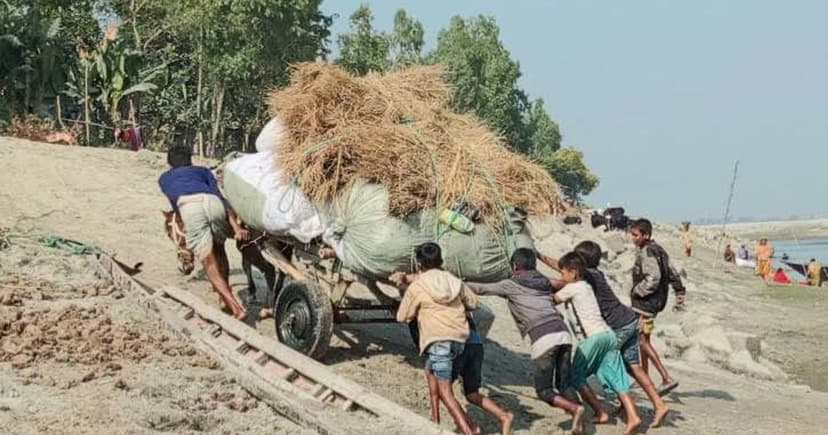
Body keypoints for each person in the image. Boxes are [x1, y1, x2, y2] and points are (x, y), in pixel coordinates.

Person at [538, 242, 670, 428]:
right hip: (627, 321)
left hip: (616, 327)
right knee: (631, 368)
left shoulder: (586, 276)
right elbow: (564, 267)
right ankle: (653, 405)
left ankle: (603, 411)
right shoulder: (593, 274)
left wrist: (537, 263)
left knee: (602, 368)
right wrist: (539, 256)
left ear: (579, 265)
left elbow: (562, 274)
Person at [465, 248, 587, 435]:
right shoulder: (544, 282)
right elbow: (561, 282)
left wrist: (457, 282)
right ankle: (581, 424)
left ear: (515, 266)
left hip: (543, 338)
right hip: (564, 334)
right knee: (565, 385)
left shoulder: (510, 284)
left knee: (544, 391)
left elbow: (482, 288)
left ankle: (575, 410)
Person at [393, 243, 478, 435]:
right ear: (440, 260)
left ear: (419, 263)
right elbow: (473, 302)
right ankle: (435, 419)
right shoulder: (453, 280)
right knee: (429, 369)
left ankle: (469, 431)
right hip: (459, 340)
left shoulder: (418, 285)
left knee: (446, 392)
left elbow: (401, 317)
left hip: (438, 341)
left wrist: (402, 288)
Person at [553, 252, 641, 435]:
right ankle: (633, 416)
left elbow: (553, 299)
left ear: (573, 272)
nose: (561, 277)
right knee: (617, 378)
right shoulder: (586, 286)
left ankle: (600, 411)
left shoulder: (573, 287)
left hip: (591, 339)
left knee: (575, 376)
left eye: (563, 273)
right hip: (608, 335)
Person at [158, 146, 247, 319]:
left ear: (170, 162)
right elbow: (220, 196)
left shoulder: (164, 179)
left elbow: (176, 206)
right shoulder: (203, 171)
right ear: (190, 159)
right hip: (214, 203)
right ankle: (223, 298)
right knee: (219, 248)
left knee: (209, 262)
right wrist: (236, 228)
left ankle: (236, 307)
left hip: (190, 207)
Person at [629, 218, 684, 396]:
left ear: (646, 235)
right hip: (655, 302)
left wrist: (637, 291)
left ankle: (666, 377)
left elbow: (654, 277)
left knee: (642, 341)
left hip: (645, 303)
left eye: (635, 235)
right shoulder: (659, 249)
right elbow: (672, 271)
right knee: (644, 339)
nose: (633, 238)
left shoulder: (647, 251)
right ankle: (644, 376)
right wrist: (679, 290)